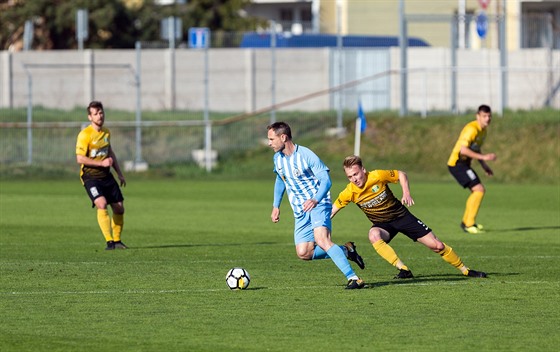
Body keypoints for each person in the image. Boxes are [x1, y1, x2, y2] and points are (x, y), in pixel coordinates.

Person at [331, 155, 487, 279]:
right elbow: (332, 210)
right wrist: (317, 225)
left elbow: (401, 175)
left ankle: (465, 270)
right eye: (350, 176)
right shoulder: (349, 192)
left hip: (402, 216)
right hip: (383, 224)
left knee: (437, 245)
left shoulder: (377, 175)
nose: (354, 179)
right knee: (373, 235)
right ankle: (403, 269)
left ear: (363, 170)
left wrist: (406, 192)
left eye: (356, 174)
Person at [267, 122, 366, 289]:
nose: (269, 143)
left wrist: (315, 199)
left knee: (322, 240)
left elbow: (326, 181)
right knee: (304, 252)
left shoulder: (306, 155)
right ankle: (346, 251)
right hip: (300, 210)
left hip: (318, 203)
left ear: (283, 137)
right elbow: (280, 179)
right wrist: (276, 205)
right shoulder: (278, 158)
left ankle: (354, 278)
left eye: (271, 139)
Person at [76, 101, 127, 250]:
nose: (100, 116)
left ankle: (117, 240)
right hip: (90, 177)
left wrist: (120, 174)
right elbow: (80, 159)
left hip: (106, 176)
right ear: (90, 117)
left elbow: (110, 153)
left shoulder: (106, 132)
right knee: (101, 203)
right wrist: (101, 164)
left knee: (119, 208)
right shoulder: (85, 135)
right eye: (96, 113)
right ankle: (109, 241)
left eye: (101, 112)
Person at [448, 104, 497, 234]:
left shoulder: (483, 131)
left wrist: (484, 165)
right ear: (478, 116)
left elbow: (475, 148)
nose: (487, 119)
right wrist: (484, 157)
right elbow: (463, 149)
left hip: (464, 165)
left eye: (489, 116)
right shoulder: (472, 129)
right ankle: (469, 224)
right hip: (456, 163)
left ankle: (467, 222)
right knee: (479, 190)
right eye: (484, 116)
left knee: (477, 191)